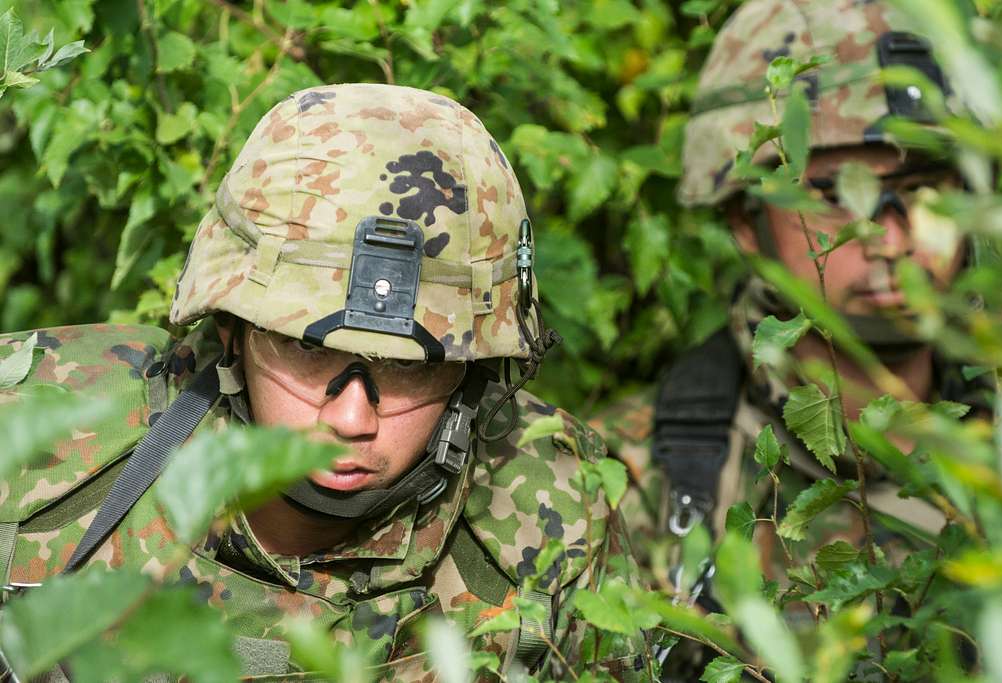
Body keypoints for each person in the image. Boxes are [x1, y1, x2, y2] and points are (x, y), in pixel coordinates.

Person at [0, 83, 650, 680]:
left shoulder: (555, 517)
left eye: (410, 363)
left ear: (475, 372)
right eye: (307, 347)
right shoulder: (34, 447)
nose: (348, 419)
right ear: (230, 326)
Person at [593, 0, 986, 631]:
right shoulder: (630, 477)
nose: (892, 237)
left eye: (922, 189)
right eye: (835, 194)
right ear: (746, 222)